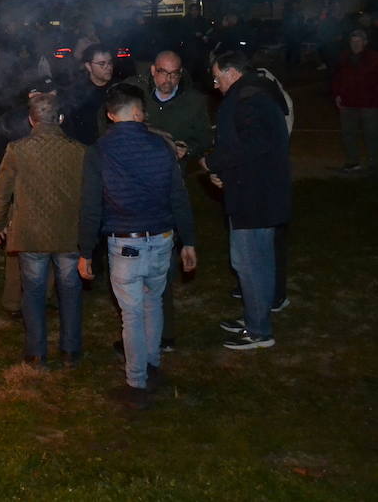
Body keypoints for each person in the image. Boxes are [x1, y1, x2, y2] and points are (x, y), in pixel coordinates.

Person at [80, 85, 198, 409]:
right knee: (153, 302)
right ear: (137, 112)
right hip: (162, 239)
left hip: (124, 244)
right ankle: (152, 363)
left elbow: (91, 205)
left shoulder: (99, 151)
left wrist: (85, 250)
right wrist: (188, 241)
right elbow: (178, 196)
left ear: (110, 114)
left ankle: (136, 381)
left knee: (131, 313)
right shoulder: (161, 146)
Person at [200, 51, 290, 350]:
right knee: (254, 261)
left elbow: (252, 145)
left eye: (216, 77)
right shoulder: (255, 95)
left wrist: (213, 162)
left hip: (255, 197)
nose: (215, 85)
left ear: (230, 72)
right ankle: (256, 316)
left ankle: (259, 330)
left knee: (250, 262)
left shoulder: (250, 100)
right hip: (256, 193)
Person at [125, 49, 211, 354]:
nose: (168, 79)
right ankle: (137, 334)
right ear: (153, 71)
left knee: (162, 266)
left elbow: (205, 139)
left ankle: (164, 333)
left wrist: (188, 149)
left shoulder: (194, 102)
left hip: (171, 190)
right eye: (162, 72)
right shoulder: (137, 97)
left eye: (174, 74)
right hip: (136, 191)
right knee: (134, 266)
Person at [0, 94, 86, 366]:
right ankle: (70, 350)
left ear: (31, 120)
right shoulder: (79, 151)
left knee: (32, 292)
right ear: (61, 118)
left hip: (30, 233)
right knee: (70, 290)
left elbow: (1, 190)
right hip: (68, 233)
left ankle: (36, 352)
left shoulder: (18, 149)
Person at [0, 76, 59, 315]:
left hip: (53, 194)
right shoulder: (13, 120)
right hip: (20, 195)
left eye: (47, 93)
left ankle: (45, 295)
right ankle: (14, 302)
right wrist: (2, 182)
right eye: (36, 93)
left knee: (52, 244)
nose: (42, 98)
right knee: (17, 250)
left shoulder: (60, 119)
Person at [332, 29, 378, 174]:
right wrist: (337, 94)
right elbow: (337, 77)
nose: (355, 45)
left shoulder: (373, 58)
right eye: (353, 41)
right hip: (347, 102)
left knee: (371, 134)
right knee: (348, 133)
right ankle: (353, 162)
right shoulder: (344, 57)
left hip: (369, 103)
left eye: (358, 41)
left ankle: (374, 163)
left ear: (365, 42)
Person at [63, 44, 115, 146]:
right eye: (102, 64)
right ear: (88, 66)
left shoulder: (118, 88)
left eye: (110, 63)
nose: (108, 67)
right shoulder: (76, 92)